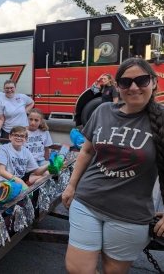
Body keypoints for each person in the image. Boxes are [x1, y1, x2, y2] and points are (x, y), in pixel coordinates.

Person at [62, 57, 164, 274]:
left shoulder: (162, 120)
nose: (133, 87)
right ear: (118, 86)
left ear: (154, 82)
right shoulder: (103, 111)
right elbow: (87, 151)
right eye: (126, 82)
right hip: (87, 201)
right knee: (78, 269)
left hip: (130, 215)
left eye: (142, 80)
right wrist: (71, 185)